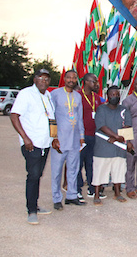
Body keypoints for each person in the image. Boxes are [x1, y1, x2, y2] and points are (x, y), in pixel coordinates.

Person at [10, 69, 55, 224]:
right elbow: (14, 115)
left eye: (47, 79)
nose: (44, 81)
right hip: (32, 144)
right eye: (41, 78)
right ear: (35, 79)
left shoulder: (48, 96)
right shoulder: (26, 94)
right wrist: (25, 138)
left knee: (38, 175)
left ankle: (35, 205)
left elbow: (50, 119)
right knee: (33, 176)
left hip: (45, 144)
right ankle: (31, 211)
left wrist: (53, 138)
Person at [50, 70, 86, 210]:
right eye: (69, 77)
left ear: (76, 79)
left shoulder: (77, 96)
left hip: (75, 139)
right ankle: (57, 198)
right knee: (57, 171)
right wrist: (54, 137)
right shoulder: (55, 94)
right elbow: (51, 117)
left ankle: (71, 195)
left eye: (74, 78)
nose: (71, 80)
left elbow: (80, 117)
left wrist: (82, 137)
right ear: (64, 79)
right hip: (60, 139)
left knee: (73, 169)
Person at [92, 86, 134, 205]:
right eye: (112, 95)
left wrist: (126, 140)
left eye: (116, 94)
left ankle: (117, 193)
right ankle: (96, 195)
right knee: (100, 170)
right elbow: (101, 126)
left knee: (119, 170)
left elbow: (127, 125)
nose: (114, 97)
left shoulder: (124, 109)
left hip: (119, 147)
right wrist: (115, 136)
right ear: (107, 96)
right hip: (103, 146)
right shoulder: (101, 109)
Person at [77, 73, 104, 200]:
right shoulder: (78, 96)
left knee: (92, 163)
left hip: (95, 136)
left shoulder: (97, 98)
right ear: (86, 82)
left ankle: (92, 189)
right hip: (81, 136)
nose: (96, 84)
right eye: (94, 81)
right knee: (78, 164)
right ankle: (76, 190)